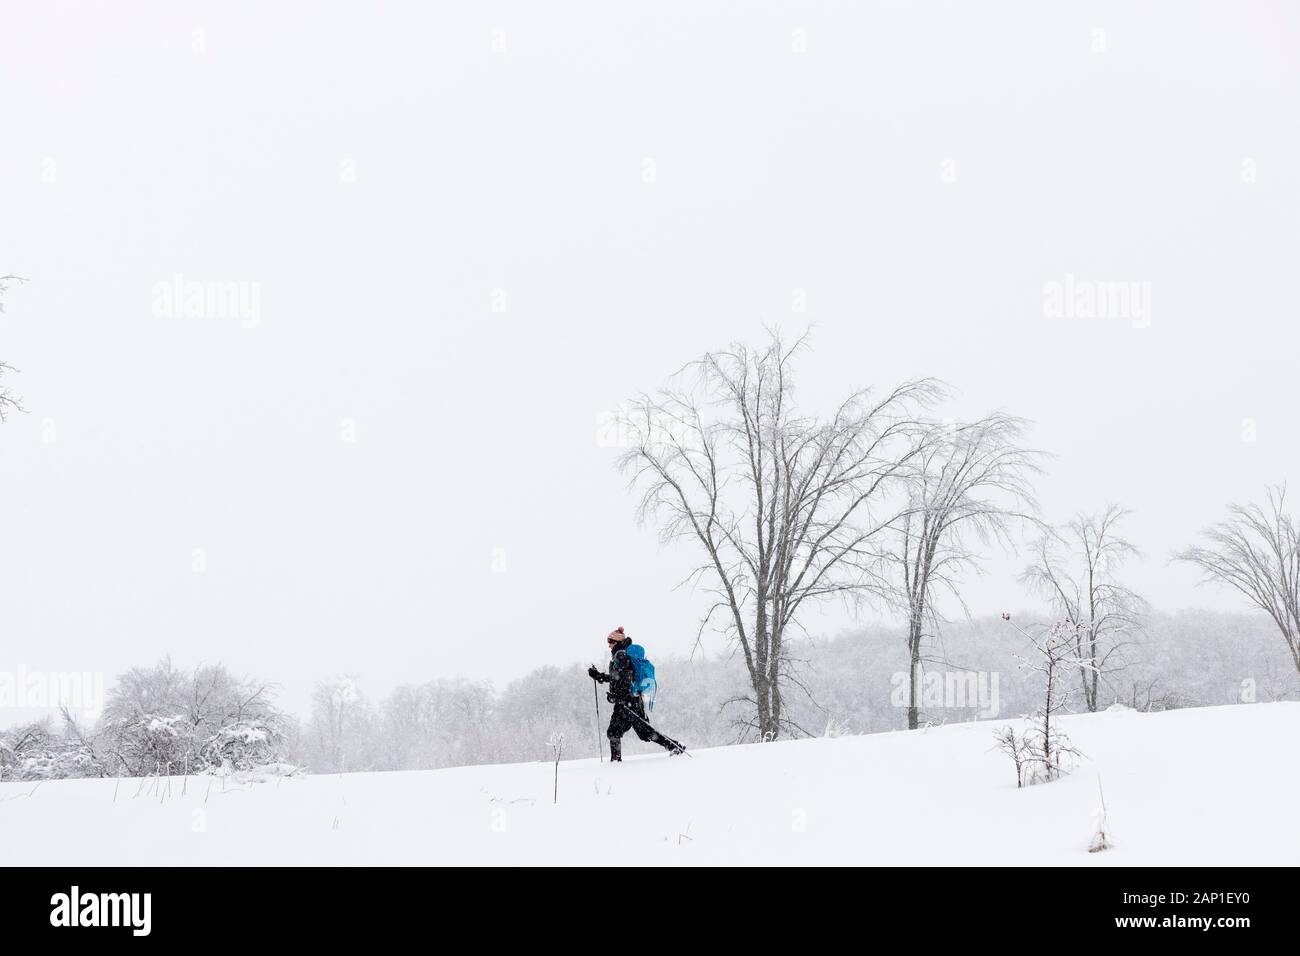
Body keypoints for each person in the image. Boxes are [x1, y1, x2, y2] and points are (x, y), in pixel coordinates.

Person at [588, 627, 685, 760]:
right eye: (608, 641)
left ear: (616, 642)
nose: (609, 645)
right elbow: (617, 676)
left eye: (610, 641)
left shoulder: (621, 655)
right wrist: (599, 676)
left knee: (615, 732)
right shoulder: (621, 655)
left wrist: (616, 695)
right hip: (630, 702)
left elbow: (623, 678)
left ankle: (615, 763)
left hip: (627, 703)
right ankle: (674, 746)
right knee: (645, 732)